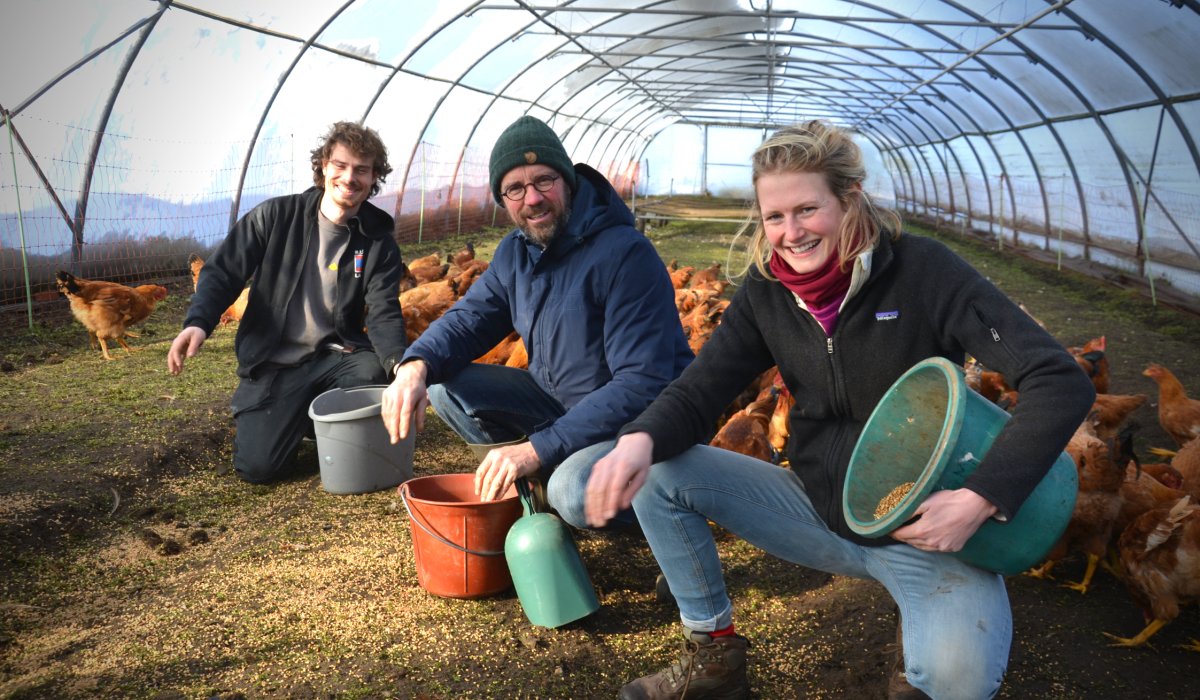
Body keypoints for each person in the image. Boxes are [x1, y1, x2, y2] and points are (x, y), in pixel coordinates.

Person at [584, 121, 1095, 700]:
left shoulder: (924, 271)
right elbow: (699, 390)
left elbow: (1059, 379)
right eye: (774, 216)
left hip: (925, 529)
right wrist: (638, 439)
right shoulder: (766, 291)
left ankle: (919, 639)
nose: (791, 232)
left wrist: (979, 498)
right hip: (819, 509)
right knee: (658, 469)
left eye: (807, 209)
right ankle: (713, 654)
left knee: (958, 680)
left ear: (849, 199)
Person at [380, 115, 691, 529]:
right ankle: (539, 485)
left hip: (636, 426)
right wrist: (414, 365)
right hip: (561, 408)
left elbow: (640, 384)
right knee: (441, 385)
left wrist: (534, 449)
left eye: (544, 180)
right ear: (503, 199)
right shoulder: (516, 251)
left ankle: (662, 501)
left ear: (567, 180)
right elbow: (469, 320)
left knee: (573, 492)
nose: (532, 199)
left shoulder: (624, 254)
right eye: (515, 189)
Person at [169, 121, 407, 484]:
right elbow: (223, 271)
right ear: (324, 165)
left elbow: (384, 311)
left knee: (372, 373)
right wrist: (199, 321)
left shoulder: (378, 241)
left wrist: (399, 366)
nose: (350, 177)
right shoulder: (276, 217)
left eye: (362, 169)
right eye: (341, 165)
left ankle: (316, 419)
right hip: (274, 362)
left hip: (337, 358)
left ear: (374, 175)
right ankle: (295, 418)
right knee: (260, 470)